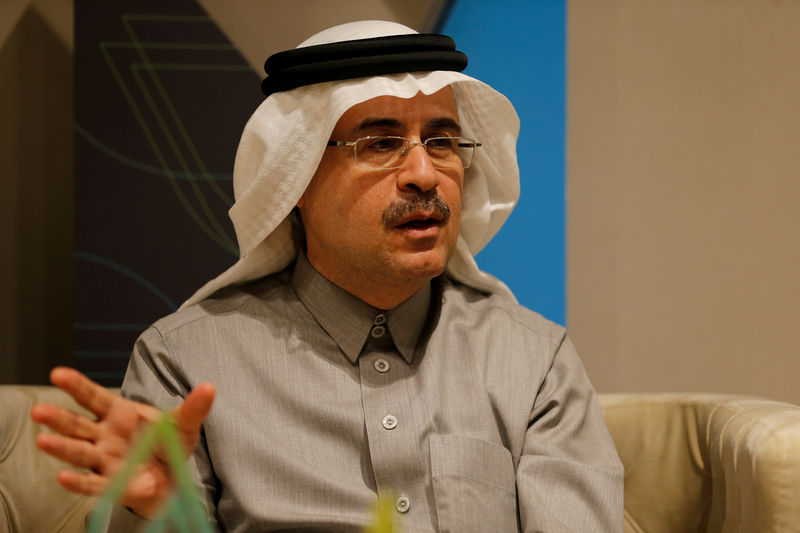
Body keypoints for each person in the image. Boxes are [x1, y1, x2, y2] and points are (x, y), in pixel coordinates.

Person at [31, 20, 623, 532]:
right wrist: (154, 514)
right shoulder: (184, 363)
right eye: (381, 142)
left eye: (442, 140)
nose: (424, 172)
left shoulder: (534, 362)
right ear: (294, 180)